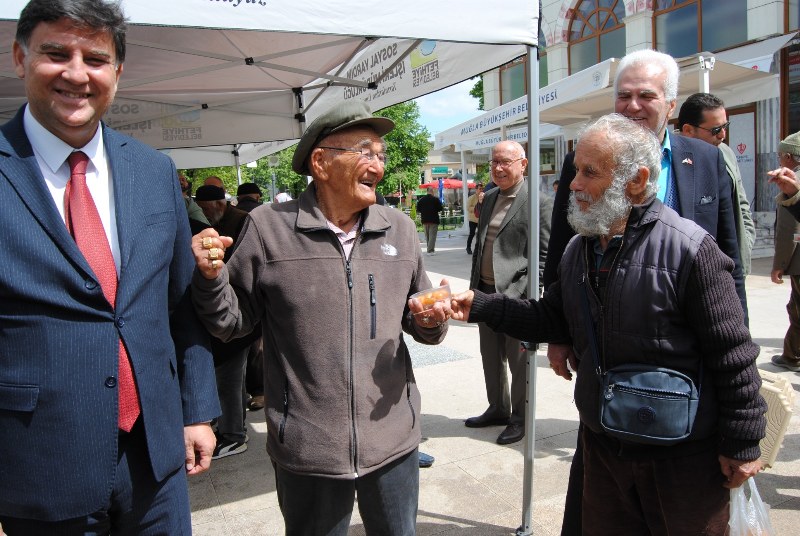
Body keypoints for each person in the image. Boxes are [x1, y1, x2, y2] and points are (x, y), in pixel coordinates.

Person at [451, 113, 766, 535]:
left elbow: (734, 356)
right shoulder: (580, 250)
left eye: (588, 172)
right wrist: (479, 305)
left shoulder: (691, 250)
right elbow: (552, 318)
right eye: (575, 170)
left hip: (681, 456)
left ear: (635, 181)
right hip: (604, 448)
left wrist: (743, 442)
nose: (573, 184)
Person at [0, 1, 220, 533]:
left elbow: (179, 303)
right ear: (19, 57)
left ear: (117, 73)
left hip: (156, 457)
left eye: (95, 59)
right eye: (56, 53)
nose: (76, 73)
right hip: (39, 464)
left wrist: (196, 409)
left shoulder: (153, 171)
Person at [190, 101, 450, 534]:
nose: (379, 167)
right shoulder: (268, 227)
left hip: (393, 441)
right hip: (308, 446)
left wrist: (430, 320)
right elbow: (231, 323)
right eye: (366, 153)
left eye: (381, 156)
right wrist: (210, 278)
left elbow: (418, 318)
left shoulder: (400, 229)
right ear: (321, 162)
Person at [542, 50, 749, 535]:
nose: (632, 104)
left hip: (689, 351)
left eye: (646, 95)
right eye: (623, 94)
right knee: (606, 485)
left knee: (682, 493)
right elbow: (563, 251)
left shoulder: (707, 159)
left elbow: (729, 257)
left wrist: (736, 353)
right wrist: (559, 332)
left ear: (671, 104)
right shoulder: (587, 156)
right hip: (612, 351)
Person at [464, 140, 552, 445]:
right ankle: (498, 408)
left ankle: (520, 419)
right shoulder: (488, 198)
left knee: (519, 361)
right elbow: (480, 245)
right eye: (494, 163)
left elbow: (543, 255)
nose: (498, 168)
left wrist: (532, 295)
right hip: (485, 292)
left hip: (517, 295)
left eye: (505, 162)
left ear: (523, 164)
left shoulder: (539, 202)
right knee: (491, 356)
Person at [678, 92, 756, 276]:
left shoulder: (725, 153)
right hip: (690, 268)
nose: (723, 135)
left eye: (725, 126)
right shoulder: (670, 159)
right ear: (688, 130)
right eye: (715, 130)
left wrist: (746, 240)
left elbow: (741, 203)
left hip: (729, 263)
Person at [770, 132, 800, 372]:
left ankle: (793, 356)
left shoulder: (792, 185)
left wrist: (779, 264)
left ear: (790, 157)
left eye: (781, 156)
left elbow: (787, 231)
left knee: (797, 309)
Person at [417, 186, 443, 254]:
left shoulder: (421, 200)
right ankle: (430, 250)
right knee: (432, 236)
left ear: (427, 191)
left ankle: (429, 248)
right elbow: (440, 208)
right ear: (432, 191)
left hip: (425, 220)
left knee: (427, 236)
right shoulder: (435, 199)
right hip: (433, 220)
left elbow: (418, 209)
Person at [466, 183, 484, 255]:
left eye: (482, 189)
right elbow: (468, 208)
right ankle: (468, 247)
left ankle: (480, 249)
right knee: (472, 234)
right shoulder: (471, 198)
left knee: (481, 234)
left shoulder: (484, 197)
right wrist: (476, 208)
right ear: (476, 189)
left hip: (481, 219)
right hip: (473, 219)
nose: (481, 190)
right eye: (480, 189)